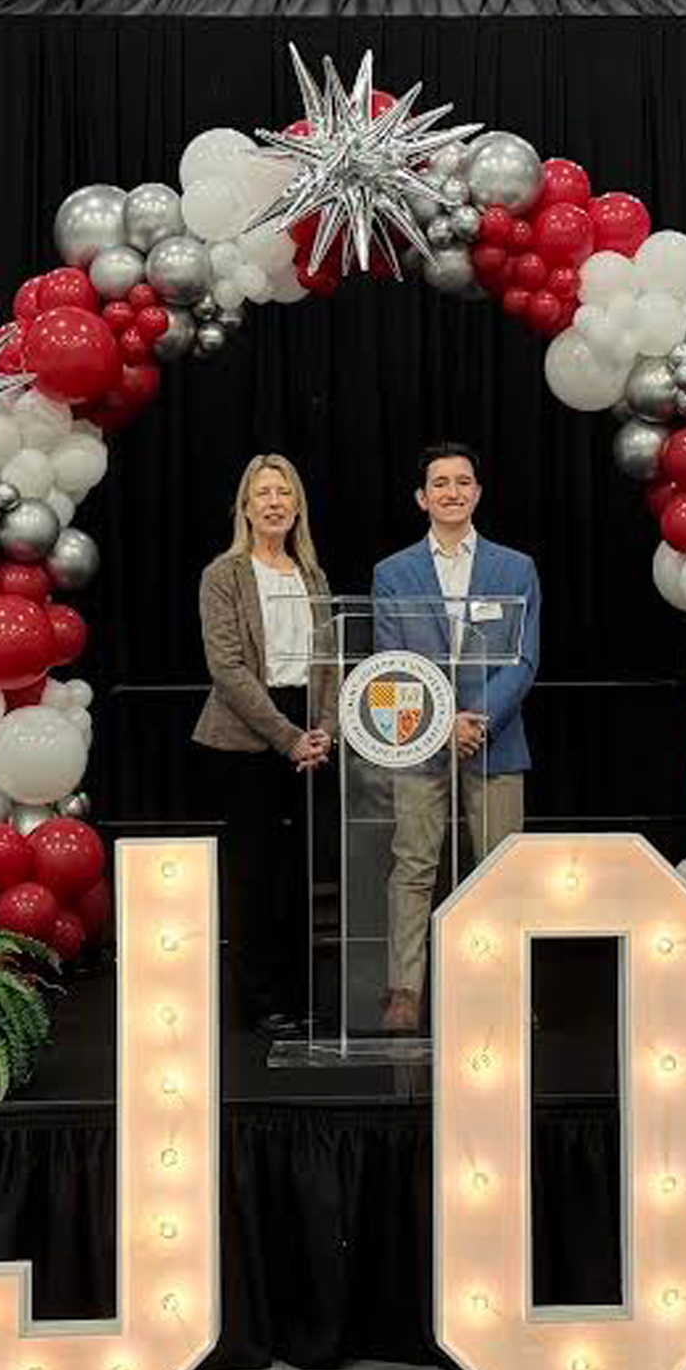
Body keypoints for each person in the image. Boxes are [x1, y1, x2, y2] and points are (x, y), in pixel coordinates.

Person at [371, 442, 540, 1034]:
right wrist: (442, 723)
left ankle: (499, 986)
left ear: (477, 492)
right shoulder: (392, 573)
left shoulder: (515, 568)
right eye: (439, 483)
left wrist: (476, 719)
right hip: (419, 743)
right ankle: (404, 993)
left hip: (496, 740)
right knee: (414, 866)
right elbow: (389, 662)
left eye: (462, 482)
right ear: (422, 498)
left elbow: (523, 659)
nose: (451, 491)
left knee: (499, 871)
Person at [192, 454, 337, 1029]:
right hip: (248, 734)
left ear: (297, 505)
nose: (274, 502)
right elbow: (227, 669)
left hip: (310, 729)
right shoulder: (223, 574)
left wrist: (323, 729)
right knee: (255, 875)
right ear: (245, 508)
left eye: (284, 493)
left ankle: (300, 998)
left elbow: (329, 659)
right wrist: (288, 737)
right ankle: (259, 1003)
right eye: (263, 494)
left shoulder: (313, 575)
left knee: (302, 875)